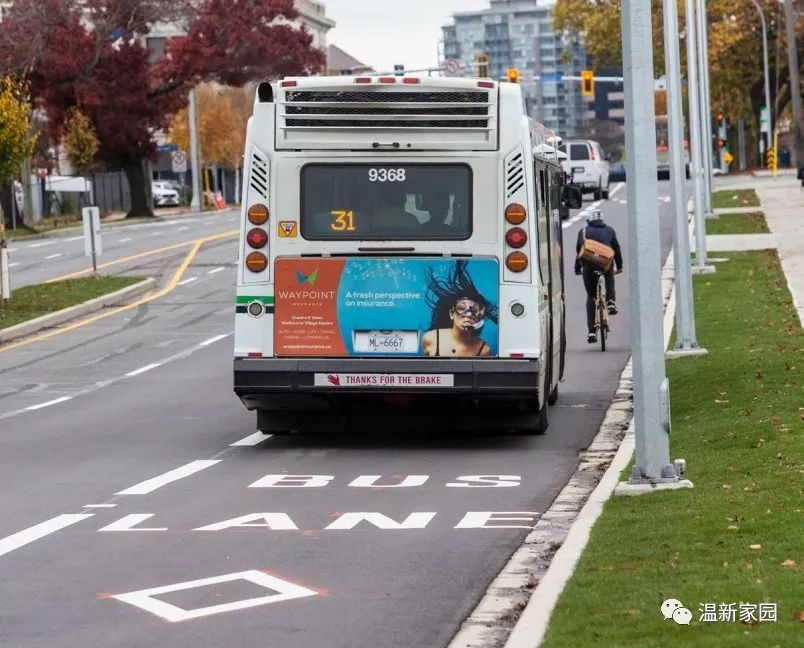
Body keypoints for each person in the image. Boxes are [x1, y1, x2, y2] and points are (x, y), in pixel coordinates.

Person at [422, 261, 497, 357]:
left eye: (473, 311)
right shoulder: (430, 338)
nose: (468, 314)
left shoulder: (484, 350)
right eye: (462, 308)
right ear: (451, 314)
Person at [574, 209, 623, 344]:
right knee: (609, 276)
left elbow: (579, 252)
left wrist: (578, 269)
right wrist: (619, 267)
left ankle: (591, 331)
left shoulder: (583, 231)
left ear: (588, 220)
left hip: (588, 265)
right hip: (605, 263)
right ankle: (611, 302)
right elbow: (616, 249)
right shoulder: (610, 230)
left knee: (591, 295)